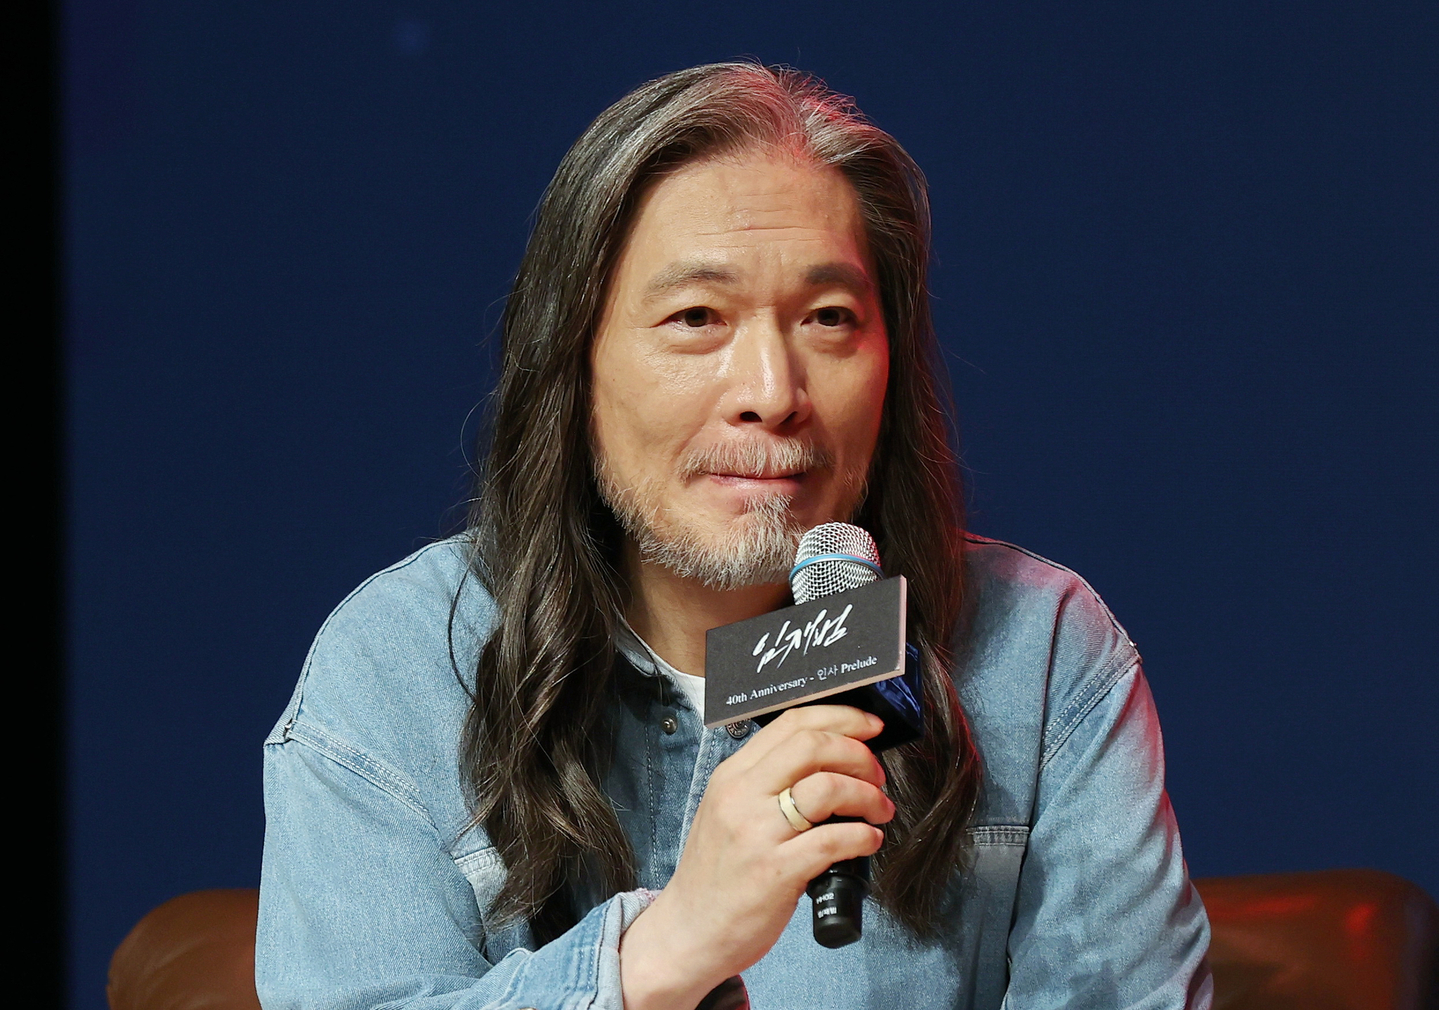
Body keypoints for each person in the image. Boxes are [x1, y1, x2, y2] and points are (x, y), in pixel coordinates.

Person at [256, 62, 1213, 1009]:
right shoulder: (398, 668)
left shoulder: (1040, 658)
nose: (771, 393)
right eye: (696, 318)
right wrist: (666, 950)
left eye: (828, 318)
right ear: (572, 363)